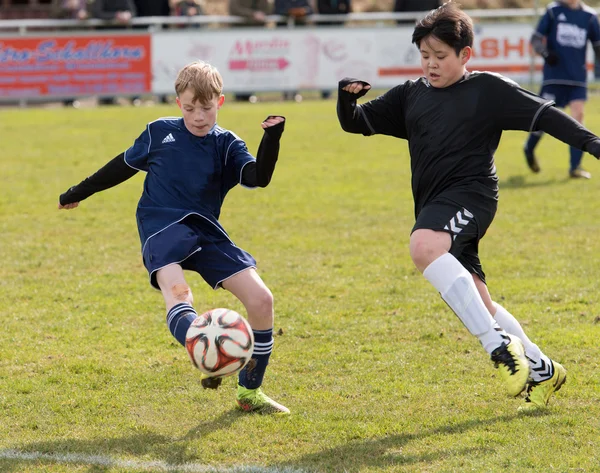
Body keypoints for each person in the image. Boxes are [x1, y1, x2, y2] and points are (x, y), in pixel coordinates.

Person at [336, 2, 600, 411]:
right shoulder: (411, 95)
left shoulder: (488, 90)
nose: (431, 65)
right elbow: (356, 123)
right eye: (424, 56)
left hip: (473, 195)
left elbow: (547, 116)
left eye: (440, 57)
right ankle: (543, 366)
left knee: (423, 248)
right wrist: (345, 98)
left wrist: (591, 143)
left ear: (465, 56)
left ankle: (498, 348)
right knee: (480, 301)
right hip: (433, 202)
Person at [58, 61, 289, 414]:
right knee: (178, 292)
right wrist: (80, 191)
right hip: (161, 226)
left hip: (205, 229)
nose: (198, 116)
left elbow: (259, 177)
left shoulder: (226, 144)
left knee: (261, 300)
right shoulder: (157, 133)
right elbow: (120, 166)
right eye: (190, 107)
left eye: (207, 108)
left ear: (221, 102)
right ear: (178, 103)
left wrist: (271, 138)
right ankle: (207, 354)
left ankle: (249, 392)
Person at [523, 0, 600, 179]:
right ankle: (529, 148)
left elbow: (597, 46)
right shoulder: (553, 11)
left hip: (577, 79)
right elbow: (535, 39)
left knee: (578, 116)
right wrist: (545, 54)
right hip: (554, 77)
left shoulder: (589, 16)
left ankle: (575, 167)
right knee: (544, 121)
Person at [228, 0, 271, 102]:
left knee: (253, 67)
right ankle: (239, 93)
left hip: (256, 38)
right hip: (240, 37)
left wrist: (261, 14)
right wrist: (253, 15)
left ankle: (250, 93)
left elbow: (268, 9)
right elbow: (234, 9)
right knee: (240, 66)